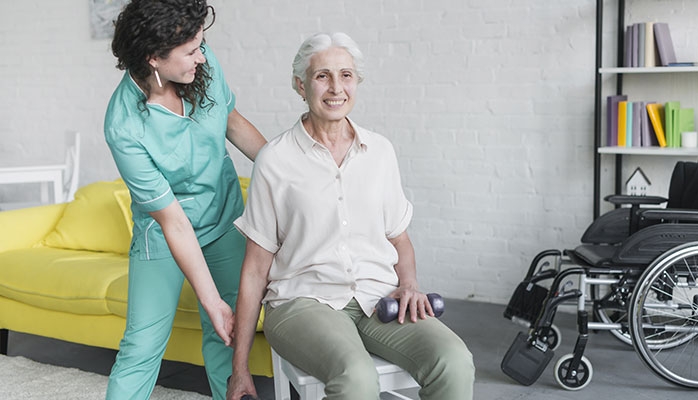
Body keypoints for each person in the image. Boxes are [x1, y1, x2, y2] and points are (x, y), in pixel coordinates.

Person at [227, 32, 474, 400]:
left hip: (379, 296)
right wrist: (240, 367)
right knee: (356, 377)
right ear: (301, 85)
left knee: (454, 360)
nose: (335, 87)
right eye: (322, 75)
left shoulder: (380, 152)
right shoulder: (275, 160)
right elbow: (254, 269)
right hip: (302, 302)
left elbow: (400, 239)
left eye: (346, 75)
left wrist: (408, 285)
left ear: (356, 82)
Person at [103, 1, 266, 399]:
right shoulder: (124, 126)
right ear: (153, 58)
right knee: (141, 346)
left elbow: (231, 120)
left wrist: (288, 172)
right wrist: (210, 300)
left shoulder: (201, 66)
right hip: (164, 235)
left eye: (201, 44)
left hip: (225, 218)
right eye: (191, 50)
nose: (202, 55)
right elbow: (173, 221)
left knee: (228, 336)